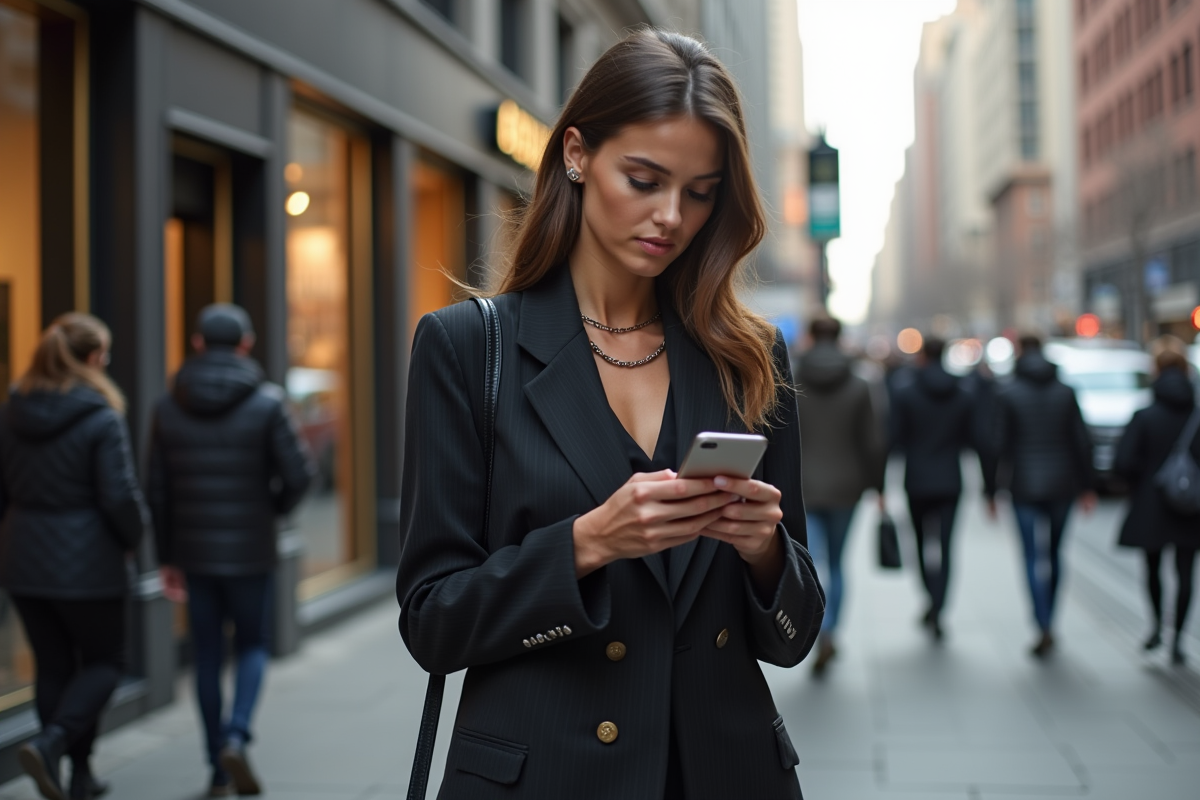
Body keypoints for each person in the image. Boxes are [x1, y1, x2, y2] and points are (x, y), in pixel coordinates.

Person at [395, 29, 824, 800]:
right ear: (576, 155)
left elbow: (794, 637)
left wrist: (764, 552)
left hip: (726, 775)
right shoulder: (466, 347)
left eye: (699, 192)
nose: (671, 216)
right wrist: (588, 544)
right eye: (644, 178)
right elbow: (432, 624)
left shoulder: (748, 356)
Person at [148, 304, 314, 797]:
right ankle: (238, 735)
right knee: (253, 644)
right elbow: (301, 475)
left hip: (194, 554)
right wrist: (273, 511)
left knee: (205, 656)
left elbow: (156, 490)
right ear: (246, 344)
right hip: (250, 549)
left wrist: (166, 556)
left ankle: (216, 766)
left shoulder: (166, 405)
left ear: (197, 343)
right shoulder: (267, 402)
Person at [0, 313, 149, 800]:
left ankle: (78, 776)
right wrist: (137, 537)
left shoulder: (12, 410)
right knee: (107, 662)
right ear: (91, 358)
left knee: (54, 667)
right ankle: (53, 744)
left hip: (23, 557)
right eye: (104, 353)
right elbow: (119, 496)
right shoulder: (101, 415)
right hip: (89, 561)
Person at [985, 335, 1095, 658]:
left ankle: (1041, 621)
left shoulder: (1008, 393)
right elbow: (1081, 442)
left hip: (1024, 486)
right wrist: (1087, 486)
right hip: (1063, 485)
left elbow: (997, 446)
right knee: (1056, 554)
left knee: (1032, 556)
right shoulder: (1066, 392)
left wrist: (990, 491)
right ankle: (1052, 618)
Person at [793, 316, 885, 674]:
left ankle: (815, 631)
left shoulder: (792, 379)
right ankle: (831, 631)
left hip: (803, 486)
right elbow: (873, 442)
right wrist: (878, 486)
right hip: (848, 487)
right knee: (838, 562)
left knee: (811, 562)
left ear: (811, 336)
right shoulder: (860, 384)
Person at [888, 336, 979, 640]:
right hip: (951, 480)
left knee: (920, 545)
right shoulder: (964, 393)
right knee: (946, 547)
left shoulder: (906, 393)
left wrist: (879, 482)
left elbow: (894, 440)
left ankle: (930, 598)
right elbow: (974, 439)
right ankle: (939, 606)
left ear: (923, 355)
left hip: (916, 480)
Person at [1114, 347, 1200, 665]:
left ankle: (1155, 627)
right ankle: (1178, 638)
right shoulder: (1197, 415)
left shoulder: (1145, 415)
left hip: (1152, 504)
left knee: (1152, 567)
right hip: (1192, 507)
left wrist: (1141, 484)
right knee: (1186, 571)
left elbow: (1124, 462)